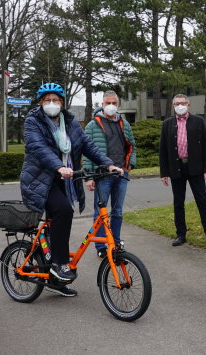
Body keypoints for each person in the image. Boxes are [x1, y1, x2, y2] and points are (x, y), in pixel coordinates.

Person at [21, 83, 123, 297]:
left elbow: (88, 146)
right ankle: (59, 264)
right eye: (47, 100)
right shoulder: (33, 122)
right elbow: (37, 148)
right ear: (41, 103)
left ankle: (56, 278)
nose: (52, 104)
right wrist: (58, 166)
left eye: (55, 100)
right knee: (64, 210)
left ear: (62, 102)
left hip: (65, 179)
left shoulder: (70, 122)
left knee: (60, 222)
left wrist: (109, 164)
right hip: (40, 181)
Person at [159, 94, 206, 246]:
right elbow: (163, 150)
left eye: (182, 103)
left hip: (195, 168)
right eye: (176, 103)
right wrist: (164, 172)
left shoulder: (198, 121)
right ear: (173, 106)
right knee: (178, 203)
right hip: (176, 168)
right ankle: (180, 234)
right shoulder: (167, 124)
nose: (179, 106)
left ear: (188, 105)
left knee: (202, 201)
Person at [83, 90, 137, 259]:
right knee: (100, 212)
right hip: (102, 176)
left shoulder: (124, 124)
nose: (111, 106)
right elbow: (86, 152)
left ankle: (115, 241)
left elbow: (132, 145)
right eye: (108, 103)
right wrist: (89, 176)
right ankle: (100, 244)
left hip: (121, 174)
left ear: (118, 105)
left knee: (118, 211)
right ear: (102, 104)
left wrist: (130, 165)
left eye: (114, 103)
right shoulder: (92, 125)